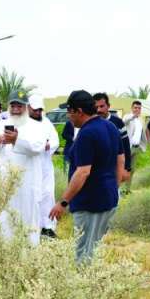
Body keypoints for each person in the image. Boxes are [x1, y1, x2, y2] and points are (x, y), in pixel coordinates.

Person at [49, 90, 120, 262]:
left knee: (83, 253)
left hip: (90, 203)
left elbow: (83, 172)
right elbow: (120, 159)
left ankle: (83, 286)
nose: (68, 116)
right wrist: (113, 188)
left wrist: (63, 202)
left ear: (79, 111)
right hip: (108, 198)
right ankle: (93, 284)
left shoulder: (87, 134)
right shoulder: (109, 126)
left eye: (70, 111)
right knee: (94, 248)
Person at [0, 91, 45, 245]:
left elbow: (37, 147)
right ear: (8, 107)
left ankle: (26, 253)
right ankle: (4, 251)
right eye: (13, 105)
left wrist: (17, 140)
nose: (16, 109)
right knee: (3, 217)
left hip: (27, 183)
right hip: (4, 183)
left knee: (27, 218)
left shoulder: (36, 127)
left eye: (19, 105)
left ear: (26, 107)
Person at [28, 94, 61, 238]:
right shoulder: (23, 124)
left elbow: (55, 141)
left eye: (40, 110)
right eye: (35, 110)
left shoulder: (47, 122)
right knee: (31, 195)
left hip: (45, 164)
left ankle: (47, 227)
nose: (38, 112)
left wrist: (49, 145)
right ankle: (31, 227)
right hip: (30, 165)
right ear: (28, 108)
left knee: (47, 194)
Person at [93, 92, 131, 186]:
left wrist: (127, 168)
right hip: (95, 170)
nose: (99, 110)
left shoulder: (118, 122)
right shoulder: (91, 123)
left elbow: (125, 145)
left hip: (114, 168)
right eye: (96, 107)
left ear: (108, 106)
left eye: (102, 106)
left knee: (114, 196)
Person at [122, 100, 147, 192]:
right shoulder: (127, 117)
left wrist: (142, 145)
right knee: (124, 169)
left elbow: (142, 134)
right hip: (127, 148)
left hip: (136, 148)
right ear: (132, 108)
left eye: (139, 108)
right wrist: (133, 116)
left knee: (132, 170)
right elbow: (124, 121)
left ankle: (127, 189)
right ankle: (120, 189)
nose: (137, 109)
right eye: (135, 108)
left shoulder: (141, 120)